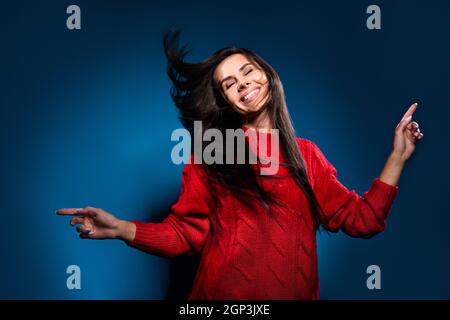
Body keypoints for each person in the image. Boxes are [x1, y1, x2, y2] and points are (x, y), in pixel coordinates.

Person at [56, 31, 424, 299]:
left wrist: (398, 156)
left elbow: (364, 220)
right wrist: (121, 228)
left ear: (267, 74)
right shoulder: (214, 154)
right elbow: (185, 234)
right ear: (226, 101)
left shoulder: (306, 155)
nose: (242, 84)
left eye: (247, 71)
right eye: (229, 84)